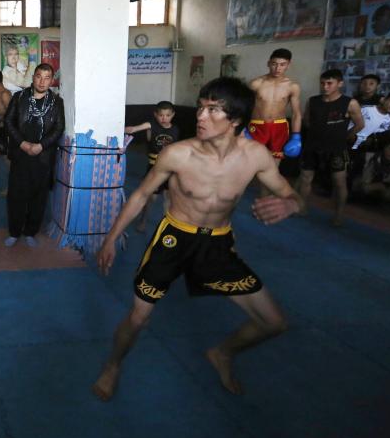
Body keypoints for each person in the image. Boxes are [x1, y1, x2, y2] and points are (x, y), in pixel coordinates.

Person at [93, 77, 302, 401]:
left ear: (235, 121)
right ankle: (113, 365)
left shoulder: (256, 156)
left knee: (273, 322)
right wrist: (110, 239)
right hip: (174, 239)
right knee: (138, 317)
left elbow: (293, 195)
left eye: (213, 110)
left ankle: (222, 353)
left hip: (217, 244)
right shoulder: (177, 154)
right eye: (201, 107)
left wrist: (290, 204)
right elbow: (141, 195)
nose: (200, 116)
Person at [3, 63, 65, 247]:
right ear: (33, 77)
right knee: (16, 195)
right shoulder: (19, 97)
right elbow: (9, 122)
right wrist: (22, 143)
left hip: (43, 157)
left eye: (47, 78)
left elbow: (59, 128)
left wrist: (41, 146)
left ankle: (30, 231)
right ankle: (14, 232)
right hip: (21, 155)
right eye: (39, 76)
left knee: (38, 197)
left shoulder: (56, 102)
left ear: (51, 80)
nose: (42, 81)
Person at [295, 69, 364, 226]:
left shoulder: (350, 103)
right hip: (312, 146)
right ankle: (302, 207)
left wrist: (345, 136)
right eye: (322, 83)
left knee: (339, 182)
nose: (325, 87)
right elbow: (307, 121)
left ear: (339, 84)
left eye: (329, 83)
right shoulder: (313, 101)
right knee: (305, 178)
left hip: (336, 149)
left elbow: (360, 124)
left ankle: (339, 215)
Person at [123, 101, 180, 232]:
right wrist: (119, 128)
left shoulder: (175, 129)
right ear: (155, 115)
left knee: (168, 197)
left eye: (167, 115)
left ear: (173, 115)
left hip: (170, 168)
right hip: (154, 168)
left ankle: (168, 224)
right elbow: (133, 129)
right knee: (150, 198)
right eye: (161, 115)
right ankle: (143, 219)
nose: (164, 118)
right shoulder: (151, 126)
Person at [247, 48, 302, 165]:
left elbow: (296, 113)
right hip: (257, 126)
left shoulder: (292, 86)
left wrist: (296, 136)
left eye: (282, 65)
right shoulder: (256, 83)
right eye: (274, 64)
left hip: (279, 127)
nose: (278, 69)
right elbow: (243, 106)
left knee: (274, 165)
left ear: (288, 65)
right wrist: (242, 129)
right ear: (268, 63)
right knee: (253, 163)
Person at [352, 142, 390, 206]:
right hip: (365, 182)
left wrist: (381, 186)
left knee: (389, 193)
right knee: (358, 184)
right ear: (385, 148)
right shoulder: (368, 156)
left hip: (386, 187)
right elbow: (355, 172)